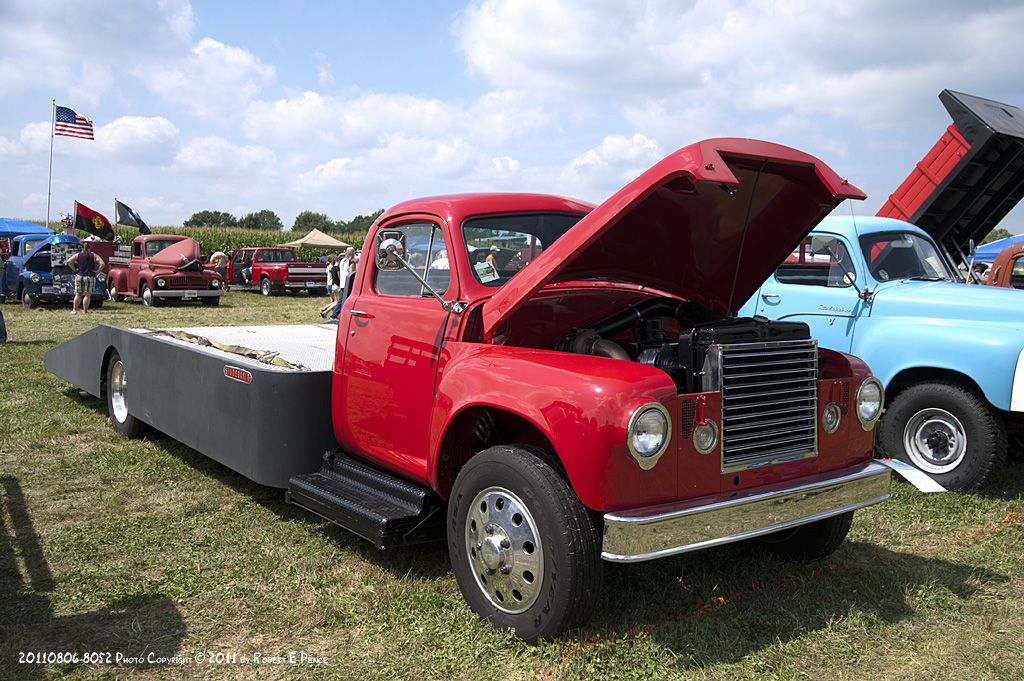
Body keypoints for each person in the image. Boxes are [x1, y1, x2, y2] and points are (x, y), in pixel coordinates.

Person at [66, 242, 105, 315]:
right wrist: (97, 271)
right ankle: (85, 310)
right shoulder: (94, 255)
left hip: (79, 276)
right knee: (87, 295)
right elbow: (102, 264)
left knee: (78, 294)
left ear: (82, 248)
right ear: (89, 248)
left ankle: (74, 310)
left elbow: (68, 261)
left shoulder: (78, 255)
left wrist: (74, 269)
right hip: (89, 276)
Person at [319, 254, 340, 318]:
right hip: (332, 284)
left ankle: (326, 310)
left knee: (333, 301)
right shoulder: (332, 267)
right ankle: (328, 311)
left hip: (328, 283)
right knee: (336, 301)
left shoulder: (328, 266)